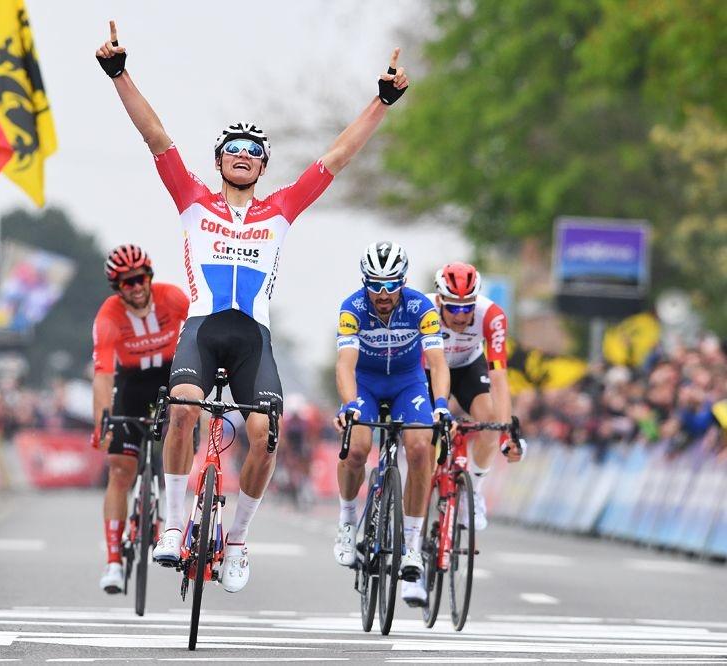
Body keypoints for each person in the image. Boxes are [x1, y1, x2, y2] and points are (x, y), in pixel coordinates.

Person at [96, 20, 410, 593]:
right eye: (233, 150)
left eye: (253, 152)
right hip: (202, 328)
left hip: (253, 340)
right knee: (184, 410)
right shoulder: (192, 200)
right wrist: (119, 74)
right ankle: (171, 527)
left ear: (263, 167)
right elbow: (157, 136)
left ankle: (237, 539)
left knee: (265, 434)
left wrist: (382, 101)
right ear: (220, 162)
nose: (243, 156)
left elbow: (337, 157)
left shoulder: (282, 210)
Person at [332, 241, 451, 608]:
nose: (383, 294)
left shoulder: (421, 307)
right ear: (364, 282)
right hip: (366, 383)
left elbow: (437, 361)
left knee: (419, 449)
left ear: (403, 281)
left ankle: (412, 546)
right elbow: (345, 365)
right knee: (357, 448)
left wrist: (442, 405)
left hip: (407, 383)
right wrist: (350, 405)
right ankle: (348, 522)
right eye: (375, 285)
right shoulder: (352, 308)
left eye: (391, 284)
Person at [91, 245, 189, 594]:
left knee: (179, 440)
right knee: (120, 468)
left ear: (150, 276)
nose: (135, 286)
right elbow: (102, 374)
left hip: (168, 377)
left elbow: (198, 335)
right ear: (116, 287)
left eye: (140, 278)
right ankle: (114, 561)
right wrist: (101, 420)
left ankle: (170, 523)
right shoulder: (108, 316)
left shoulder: (173, 298)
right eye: (125, 282)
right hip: (130, 384)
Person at [427, 262, 523, 530]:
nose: (460, 315)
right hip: (429, 368)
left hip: (469, 366)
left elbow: (499, 376)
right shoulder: (424, 311)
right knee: (423, 437)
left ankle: (474, 491)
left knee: (489, 421)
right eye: (453, 308)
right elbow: (433, 371)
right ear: (439, 300)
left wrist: (506, 432)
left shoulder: (491, 315)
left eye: (467, 307)